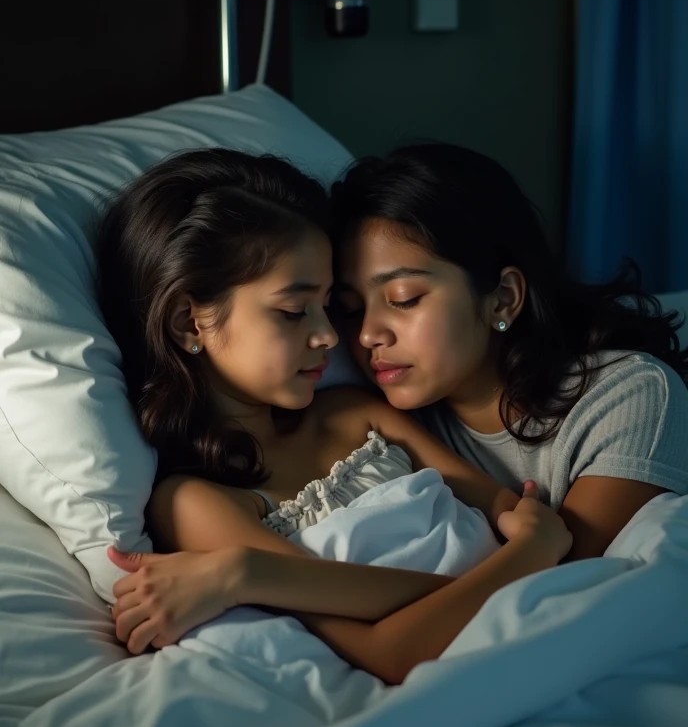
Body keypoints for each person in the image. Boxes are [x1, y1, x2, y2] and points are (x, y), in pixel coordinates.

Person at [98, 147, 571, 683]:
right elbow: (393, 651)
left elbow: (511, 516)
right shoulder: (197, 502)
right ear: (189, 322)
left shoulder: (356, 414)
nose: (329, 336)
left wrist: (526, 551)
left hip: (546, 621)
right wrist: (531, 556)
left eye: (330, 307)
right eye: (294, 311)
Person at [330, 142, 688, 563]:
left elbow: (555, 588)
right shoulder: (382, 426)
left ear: (502, 298)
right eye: (351, 310)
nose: (369, 334)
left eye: (404, 298)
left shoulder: (630, 396)